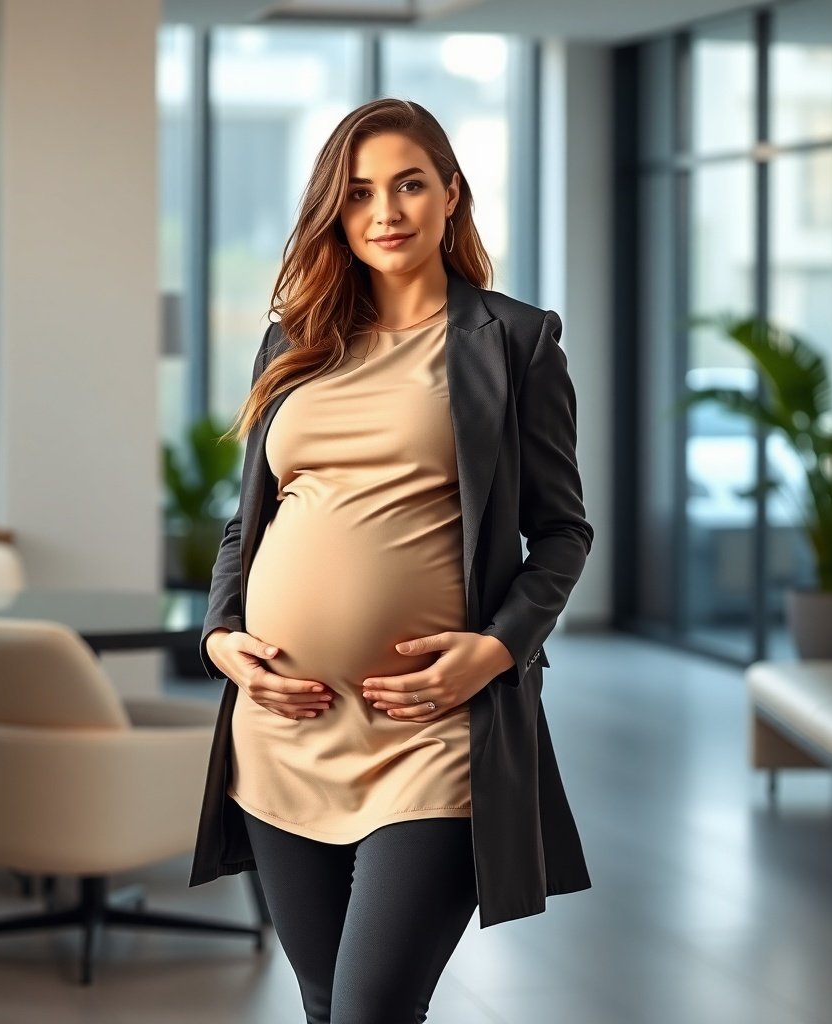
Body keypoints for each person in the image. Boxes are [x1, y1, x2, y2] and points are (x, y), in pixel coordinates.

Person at [190, 97, 595, 1024]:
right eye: (361, 190)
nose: (387, 210)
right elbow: (245, 526)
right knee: (327, 997)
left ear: (451, 194)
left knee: (373, 1005)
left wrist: (495, 651)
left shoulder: (515, 341)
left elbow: (563, 535)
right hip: (284, 730)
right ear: (336, 210)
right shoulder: (294, 341)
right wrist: (221, 639)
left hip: (433, 733)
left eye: (410, 184)